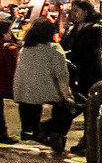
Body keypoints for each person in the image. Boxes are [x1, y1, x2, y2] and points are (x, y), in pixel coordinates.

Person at [12, 17, 80, 155]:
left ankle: (38, 133)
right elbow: (61, 76)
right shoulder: (54, 49)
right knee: (73, 106)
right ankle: (53, 131)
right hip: (45, 94)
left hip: (23, 93)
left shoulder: (25, 49)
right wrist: (67, 97)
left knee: (30, 125)